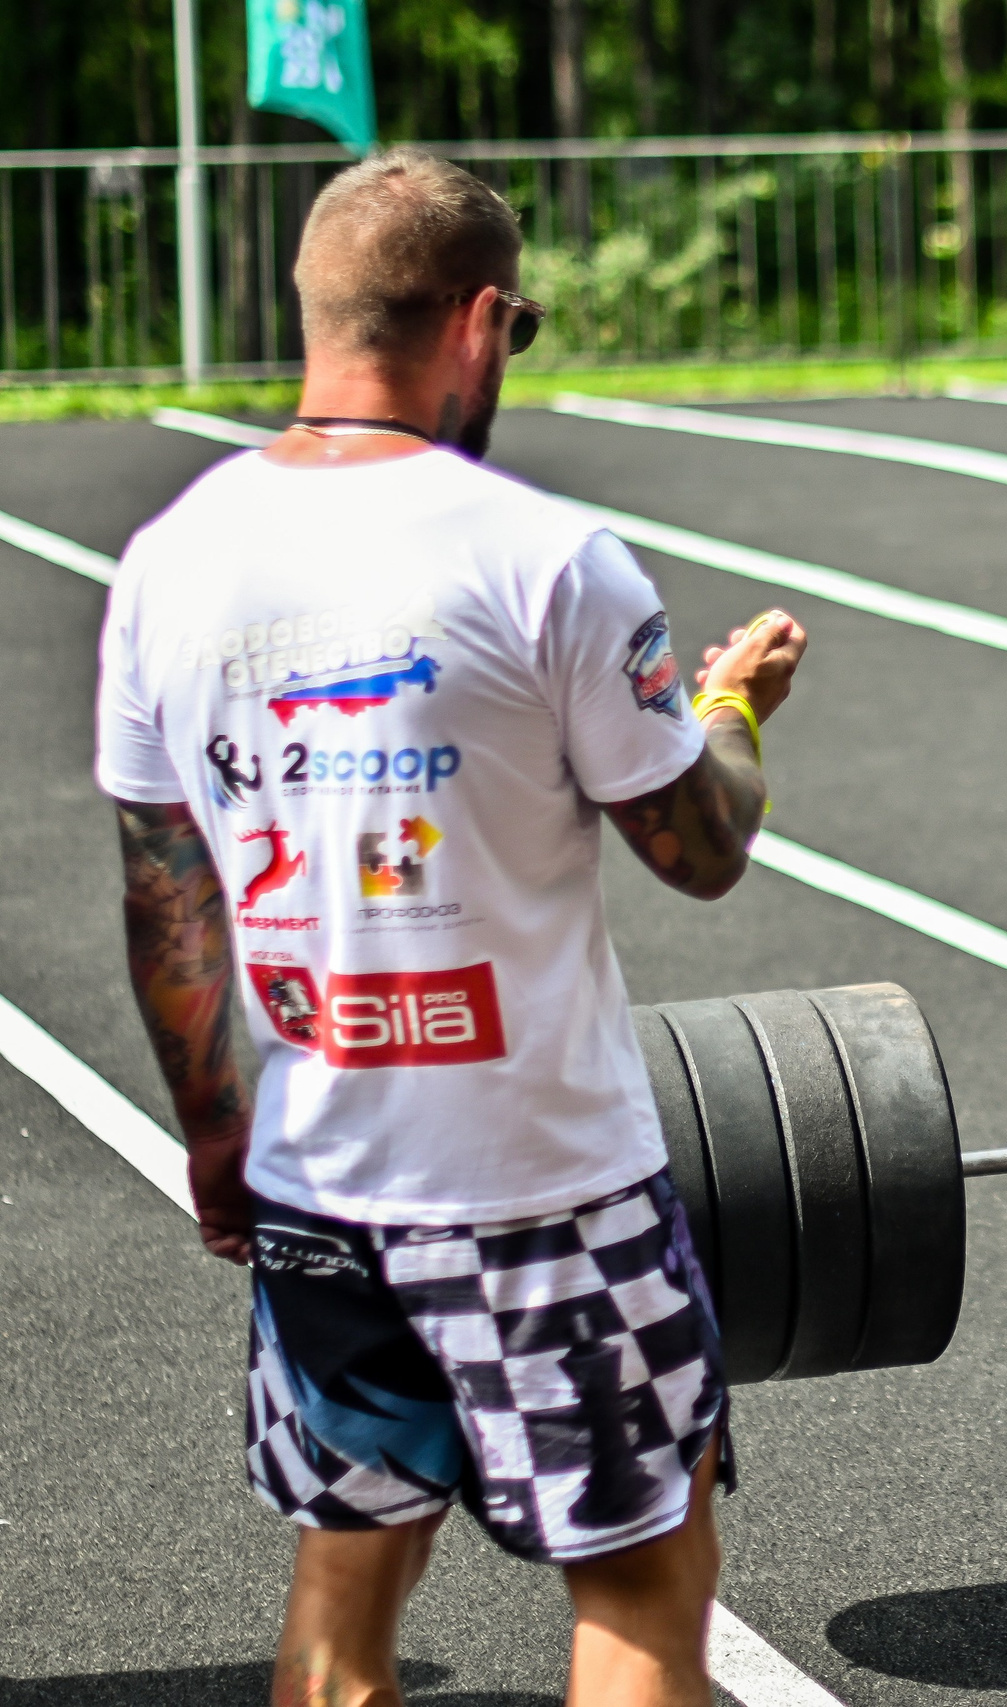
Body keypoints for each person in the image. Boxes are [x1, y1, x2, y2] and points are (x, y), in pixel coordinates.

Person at [93, 147, 808, 1707]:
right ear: (482, 321)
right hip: (543, 1189)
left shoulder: (164, 561)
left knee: (343, 1614)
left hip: (317, 1186)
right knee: (643, 1587)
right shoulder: (549, 560)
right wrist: (735, 707)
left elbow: (168, 899)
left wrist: (218, 1141)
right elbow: (699, 848)